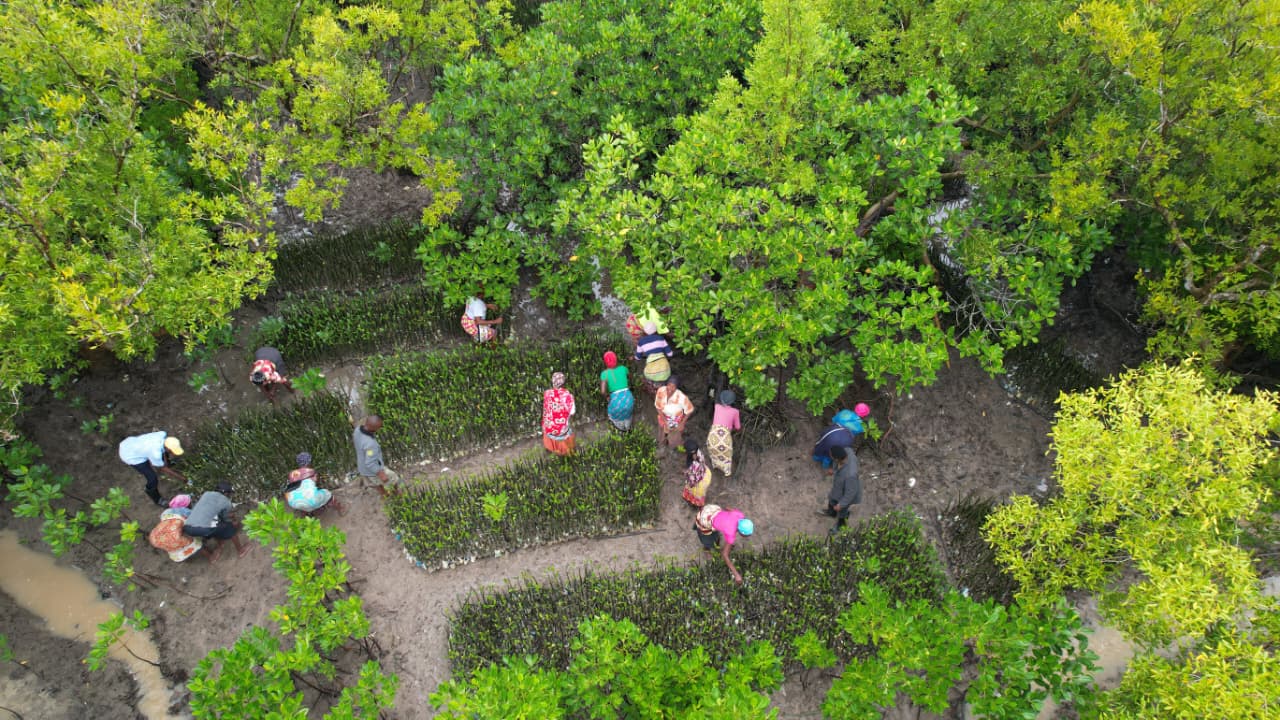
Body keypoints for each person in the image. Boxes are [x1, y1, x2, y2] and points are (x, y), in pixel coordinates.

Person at [182, 483, 250, 562]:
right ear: (226, 493)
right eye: (229, 493)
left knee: (213, 524)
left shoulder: (206, 494)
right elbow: (225, 518)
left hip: (188, 527)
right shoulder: (226, 501)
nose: (229, 495)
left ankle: (220, 545)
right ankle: (241, 550)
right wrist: (234, 522)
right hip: (203, 528)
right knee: (229, 528)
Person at [118, 431, 186, 507]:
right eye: (171, 451)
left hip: (130, 443)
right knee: (152, 478)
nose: (173, 453)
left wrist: (165, 460)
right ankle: (157, 499)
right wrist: (183, 478)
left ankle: (166, 462)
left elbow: (163, 452)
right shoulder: (155, 453)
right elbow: (163, 468)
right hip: (129, 455)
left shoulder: (162, 434)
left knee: (162, 456)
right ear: (167, 447)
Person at [693, 504, 754, 585]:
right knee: (708, 540)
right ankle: (707, 549)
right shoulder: (730, 533)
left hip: (712, 509)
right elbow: (724, 555)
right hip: (705, 519)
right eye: (747, 535)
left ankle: (715, 543)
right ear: (741, 532)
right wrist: (736, 574)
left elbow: (728, 508)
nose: (748, 536)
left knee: (716, 536)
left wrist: (725, 519)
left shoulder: (740, 515)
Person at [811, 405, 869, 475]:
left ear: (855, 408)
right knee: (832, 454)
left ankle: (815, 457)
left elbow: (834, 420)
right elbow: (859, 431)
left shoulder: (845, 412)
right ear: (864, 416)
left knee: (822, 444)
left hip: (832, 433)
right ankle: (825, 465)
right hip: (845, 440)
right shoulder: (862, 426)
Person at [285, 452, 346, 516]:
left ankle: (307, 515)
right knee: (328, 494)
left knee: (302, 501)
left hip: (292, 502)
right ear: (309, 462)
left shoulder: (292, 474)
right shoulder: (311, 472)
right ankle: (340, 508)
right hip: (310, 501)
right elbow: (315, 485)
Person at [353, 415, 401, 496]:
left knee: (376, 484)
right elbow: (370, 463)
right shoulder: (370, 444)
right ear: (375, 428)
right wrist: (381, 474)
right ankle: (396, 494)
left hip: (362, 467)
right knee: (393, 478)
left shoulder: (357, 430)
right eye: (380, 426)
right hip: (371, 470)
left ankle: (384, 494)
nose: (381, 427)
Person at [147, 495, 202, 562]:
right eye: (190, 503)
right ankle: (207, 553)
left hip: (154, 537)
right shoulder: (184, 511)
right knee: (190, 541)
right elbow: (194, 518)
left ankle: (182, 556)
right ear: (186, 505)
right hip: (174, 536)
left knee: (172, 546)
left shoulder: (166, 512)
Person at [820, 446, 861, 534]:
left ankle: (841, 524)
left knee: (842, 511)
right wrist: (834, 470)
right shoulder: (847, 451)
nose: (830, 456)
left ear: (837, 459)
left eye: (831, 456)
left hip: (845, 494)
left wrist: (841, 504)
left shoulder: (850, 475)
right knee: (832, 498)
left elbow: (850, 493)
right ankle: (831, 513)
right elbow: (837, 464)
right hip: (838, 487)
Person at [706, 390, 742, 478]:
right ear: (733, 402)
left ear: (721, 400)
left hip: (712, 437)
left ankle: (715, 465)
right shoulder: (735, 412)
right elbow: (738, 427)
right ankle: (726, 471)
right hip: (724, 440)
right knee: (726, 456)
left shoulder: (717, 406)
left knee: (714, 451)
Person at [654, 376, 694, 452]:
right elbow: (658, 407)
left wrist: (682, 423)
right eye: (669, 385)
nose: (670, 388)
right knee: (662, 431)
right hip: (663, 417)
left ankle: (672, 447)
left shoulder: (681, 397)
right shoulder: (661, 391)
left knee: (674, 436)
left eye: (673, 386)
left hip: (676, 420)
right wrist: (665, 420)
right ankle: (662, 443)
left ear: (677, 388)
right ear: (666, 384)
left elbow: (690, 410)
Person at [542, 372, 576, 456]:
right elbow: (572, 412)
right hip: (561, 432)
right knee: (568, 428)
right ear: (564, 383)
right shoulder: (568, 396)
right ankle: (565, 450)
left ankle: (551, 448)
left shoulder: (547, 393)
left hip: (548, 429)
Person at [633, 321, 674, 392]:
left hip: (650, 373)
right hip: (666, 371)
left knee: (648, 374)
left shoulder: (641, 342)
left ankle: (653, 384)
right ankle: (663, 382)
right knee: (665, 372)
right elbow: (670, 354)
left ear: (644, 332)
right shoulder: (661, 338)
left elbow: (637, 358)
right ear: (656, 330)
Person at [599, 351, 634, 432]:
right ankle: (628, 428)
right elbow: (630, 378)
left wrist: (607, 397)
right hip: (628, 397)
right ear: (616, 360)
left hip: (615, 400)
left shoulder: (604, 374)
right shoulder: (623, 368)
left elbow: (603, 391)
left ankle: (621, 430)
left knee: (614, 416)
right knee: (628, 414)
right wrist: (630, 387)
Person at [681, 438, 712, 507]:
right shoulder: (699, 453)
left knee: (694, 492)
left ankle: (694, 504)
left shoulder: (693, 465)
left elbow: (692, 481)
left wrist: (685, 473)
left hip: (699, 483)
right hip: (705, 474)